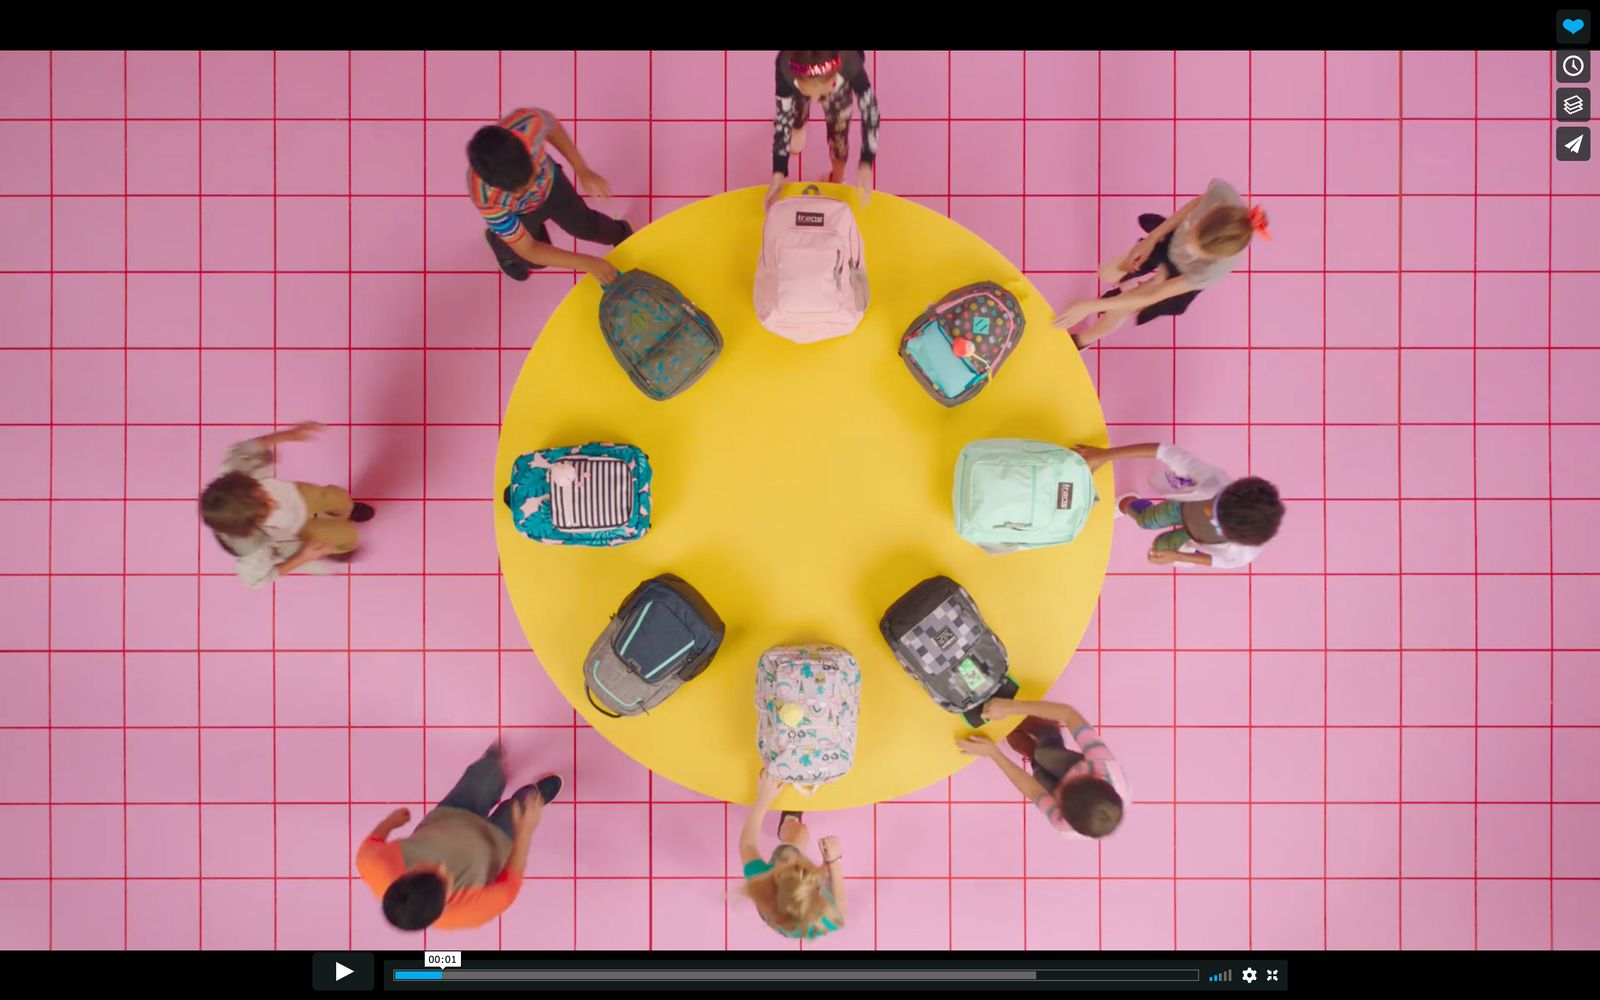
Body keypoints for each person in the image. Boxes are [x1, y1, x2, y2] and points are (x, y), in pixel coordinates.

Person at [356, 742, 561, 932]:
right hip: (497, 843)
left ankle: (493, 764)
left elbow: (372, 841)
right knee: (525, 806)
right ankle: (535, 794)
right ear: (444, 902)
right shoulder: (468, 914)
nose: (442, 866)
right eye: (444, 879)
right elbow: (510, 883)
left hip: (452, 814)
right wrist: (524, 833)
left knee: (486, 773)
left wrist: (391, 822)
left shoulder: (374, 864)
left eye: (428, 867)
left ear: (405, 875)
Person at [1052, 178, 1269, 349]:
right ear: (1209, 214)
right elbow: (1193, 205)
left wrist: (1089, 306)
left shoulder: (1215, 270)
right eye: (1193, 230)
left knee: (1120, 309)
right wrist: (1152, 238)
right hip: (1169, 244)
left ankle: (1083, 340)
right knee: (1107, 272)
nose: (1190, 243)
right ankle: (1125, 291)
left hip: (1179, 275)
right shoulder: (1220, 194)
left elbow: (1156, 295)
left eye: (1197, 250)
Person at [468, 106, 633, 284]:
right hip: (519, 213)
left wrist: (582, 169)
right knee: (535, 260)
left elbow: (554, 131)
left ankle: (621, 233)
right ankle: (499, 243)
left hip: (552, 185)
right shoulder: (485, 198)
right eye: (521, 190)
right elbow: (529, 248)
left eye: (532, 176)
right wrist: (588, 263)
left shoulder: (528, 124)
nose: (531, 189)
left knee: (587, 226)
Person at [199, 422, 374, 589]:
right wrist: (305, 557)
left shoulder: (234, 473)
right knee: (348, 537)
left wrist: (287, 435)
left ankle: (346, 511)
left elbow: (246, 449)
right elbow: (258, 579)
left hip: (296, 495)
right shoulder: (249, 546)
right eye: (267, 509)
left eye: (263, 492)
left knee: (339, 498)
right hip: (293, 530)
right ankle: (338, 551)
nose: (274, 503)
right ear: (253, 526)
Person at [1073, 440, 1285, 569]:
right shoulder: (1214, 479)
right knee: (1146, 521)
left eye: (1216, 520)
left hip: (1193, 538)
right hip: (1182, 507)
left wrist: (1179, 556)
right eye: (1215, 501)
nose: (1207, 509)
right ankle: (1127, 503)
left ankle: (1177, 550)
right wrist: (1104, 455)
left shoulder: (1241, 555)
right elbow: (1166, 451)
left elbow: (1218, 561)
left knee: (1160, 548)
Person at [957, 697, 1127, 840]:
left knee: (1039, 776)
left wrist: (994, 753)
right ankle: (1047, 732)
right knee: (1047, 754)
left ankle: (1033, 755)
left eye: (1059, 794)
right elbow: (1068, 714)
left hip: (1075, 793)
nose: (1059, 787)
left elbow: (1033, 790)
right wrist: (1010, 707)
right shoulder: (1103, 764)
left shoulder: (1063, 822)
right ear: (1093, 776)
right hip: (1077, 766)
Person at [737, 769, 846, 940]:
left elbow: (747, 844)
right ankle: (790, 827)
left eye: (784, 861)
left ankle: (788, 825)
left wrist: (763, 800)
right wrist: (833, 860)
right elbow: (840, 908)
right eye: (800, 865)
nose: (792, 856)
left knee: (799, 835)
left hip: (774, 906)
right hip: (782, 908)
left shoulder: (761, 880)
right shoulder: (830, 918)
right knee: (799, 837)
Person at [763, 50, 880, 208]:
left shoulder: (850, 61)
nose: (816, 99)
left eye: (819, 94)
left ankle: (837, 177)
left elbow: (870, 109)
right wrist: (778, 173)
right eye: (810, 93)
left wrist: (866, 161)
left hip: (836, 88)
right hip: (799, 86)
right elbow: (783, 117)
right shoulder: (785, 64)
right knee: (794, 117)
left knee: (839, 136)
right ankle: (799, 123)